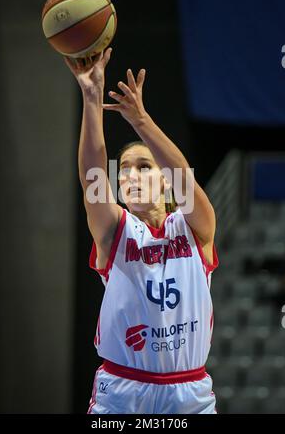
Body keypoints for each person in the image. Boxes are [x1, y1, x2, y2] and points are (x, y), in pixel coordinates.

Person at [65, 48, 219, 414]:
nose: (129, 176)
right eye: (124, 170)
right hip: (122, 390)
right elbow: (92, 175)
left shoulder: (195, 227)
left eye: (144, 167)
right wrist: (92, 96)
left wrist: (141, 120)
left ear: (165, 182)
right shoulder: (116, 230)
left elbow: (184, 179)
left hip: (189, 393)